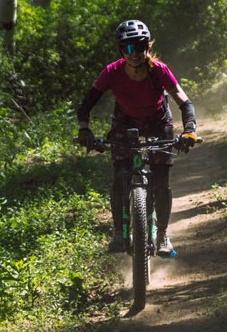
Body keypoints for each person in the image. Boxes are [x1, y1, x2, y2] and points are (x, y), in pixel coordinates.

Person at [75, 20, 198, 256]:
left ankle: (162, 235)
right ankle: (120, 234)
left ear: (147, 47)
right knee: (120, 176)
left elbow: (184, 102)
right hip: (125, 121)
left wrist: (189, 129)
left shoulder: (160, 70)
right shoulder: (112, 72)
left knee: (161, 183)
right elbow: (86, 103)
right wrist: (84, 130)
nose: (134, 53)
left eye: (139, 46)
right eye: (128, 48)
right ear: (121, 50)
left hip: (158, 121)